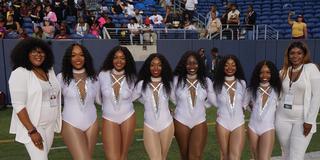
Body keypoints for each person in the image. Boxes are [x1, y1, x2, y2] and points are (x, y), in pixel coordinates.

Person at [8, 38, 61, 159]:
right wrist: (32, 131)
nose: (38, 55)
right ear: (25, 53)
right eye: (34, 52)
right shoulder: (20, 73)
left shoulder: (49, 70)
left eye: (41, 52)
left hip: (50, 125)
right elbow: (18, 105)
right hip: (34, 126)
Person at [276, 41, 320, 160]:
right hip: (282, 118)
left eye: (299, 53)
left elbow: (317, 96)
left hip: (302, 119)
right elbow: (277, 95)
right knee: (286, 153)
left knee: (296, 156)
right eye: (292, 53)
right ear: (288, 55)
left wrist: (309, 121)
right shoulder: (283, 71)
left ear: (304, 54)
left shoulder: (311, 68)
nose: (295, 56)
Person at [57, 44, 100, 159]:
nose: (78, 58)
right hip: (70, 123)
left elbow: (100, 101)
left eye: (81, 55)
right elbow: (53, 102)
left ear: (86, 58)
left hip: (92, 123)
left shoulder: (94, 77)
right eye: (73, 55)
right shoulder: (61, 77)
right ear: (68, 58)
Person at [172, 51, 214, 160]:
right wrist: (179, 106)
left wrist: (204, 106)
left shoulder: (206, 81)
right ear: (184, 65)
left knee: (195, 156)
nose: (192, 66)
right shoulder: (176, 80)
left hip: (199, 121)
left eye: (195, 63)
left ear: (199, 64)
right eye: (188, 63)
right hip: (181, 121)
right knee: (185, 156)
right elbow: (172, 97)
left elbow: (212, 99)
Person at [133, 53, 174, 160]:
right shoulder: (142, 84)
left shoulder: (169, 83)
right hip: (149, 126)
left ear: (163, 67)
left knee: (163, 158)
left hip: (167, 125)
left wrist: (174, 111)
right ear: (148, 67)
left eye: (159, 65)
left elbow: (178, 101)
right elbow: (129, 98)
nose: (155, 68)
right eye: (152, 65)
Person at [99, 46, 137, 160]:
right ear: (111, 59)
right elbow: (97, 97)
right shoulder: (103, 75)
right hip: (109, 118)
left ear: (127, 60)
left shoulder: (132, 77)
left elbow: (136, 96)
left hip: (128, 117)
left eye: (122, 58)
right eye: (116, 57)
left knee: (123, 156)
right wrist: (105, 107)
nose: (119, 61)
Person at [245, 60, 282, 160]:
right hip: (252, 127)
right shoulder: (251, 89)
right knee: (255, 157)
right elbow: (242, 106)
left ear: (272, 73)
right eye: (261, 72)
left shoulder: (277, 90)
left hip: (268, 128)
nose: (264, 75)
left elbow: (280, 108)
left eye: (268, 72)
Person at [212, 55, 246, 160]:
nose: (230, 68)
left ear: (237, 67)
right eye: (226, 65)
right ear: (222, 67)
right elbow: (211, 101)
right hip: (222, 123)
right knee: (224, 156)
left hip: (238, 122)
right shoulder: (216, 84)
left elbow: (244, 102)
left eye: (233, 65)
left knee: (235, 157)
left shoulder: (242, 83)